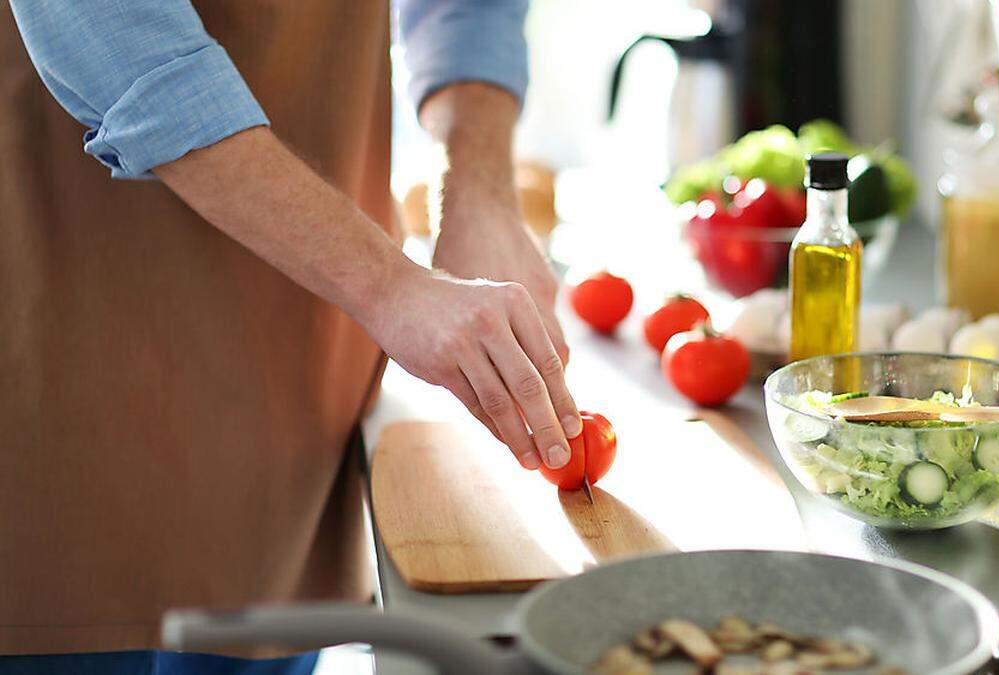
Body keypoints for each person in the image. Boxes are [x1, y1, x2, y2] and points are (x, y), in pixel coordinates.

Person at [0, 1, 576, 673]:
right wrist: (390, 286)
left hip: (304, 342)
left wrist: (477, 191)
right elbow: (113, 31)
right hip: (70, 312)